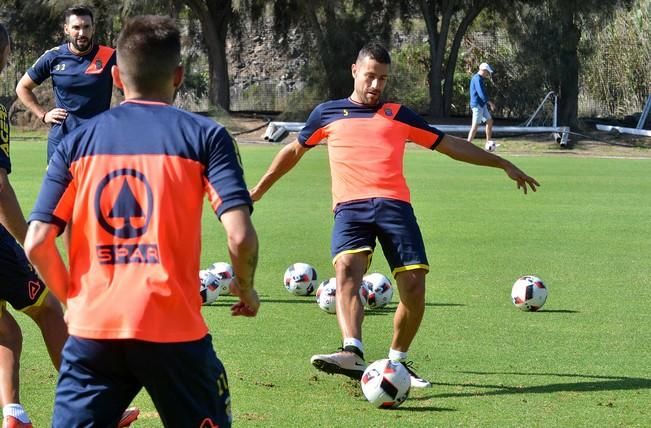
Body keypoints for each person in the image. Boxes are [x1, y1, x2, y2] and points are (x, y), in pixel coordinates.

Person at [250, 42, 539, 389]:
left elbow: (448, 144)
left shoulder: (399, 114)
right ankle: (352, 351)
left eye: (382, 79)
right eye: (370, 76)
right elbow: (292, 151)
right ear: (355, 71)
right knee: (346, 270)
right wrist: (258, 190)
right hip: (351, 208)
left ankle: (397, 361)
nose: (375, 86)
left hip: (394, 206)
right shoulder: (328, 113)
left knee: (414, 287)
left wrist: (501, 162)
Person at [24, 15, 259, 427]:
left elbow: (37, 242)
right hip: (174, 331)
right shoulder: (206, 136)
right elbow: (239, 237)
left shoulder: (77, 142)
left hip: (93, 332)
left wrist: (72, 300)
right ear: (179, 76)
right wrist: (247, 286)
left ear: (116, 77)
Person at [0, 23, 139, 428]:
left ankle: (13, 414)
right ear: (4, 52)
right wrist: (28, 241)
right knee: (49, 309)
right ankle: (98, 409)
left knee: (6, 330)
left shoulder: (105, 56)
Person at [15, 5, 115, 163]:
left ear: (93, 29)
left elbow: (133, 85)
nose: (82, 33)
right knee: (60, 188)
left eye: (86, 27)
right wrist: (44, 115)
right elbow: (22, 87)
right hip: (61, 141)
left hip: (97, 141)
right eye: (76, 27)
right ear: (66, 29)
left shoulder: (109, 56)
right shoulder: (53, 57)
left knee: (96, 188)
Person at [467, 62, 496, 150]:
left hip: (482, 105)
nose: (488, 74)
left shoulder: (480, 79)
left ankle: (488, 143)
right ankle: (467, 145)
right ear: (483, 70)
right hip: (477, 105)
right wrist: (490, 103)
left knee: (489, 121)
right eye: (487, 72)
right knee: (475, 125)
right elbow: (481, 94)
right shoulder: (477, 79)